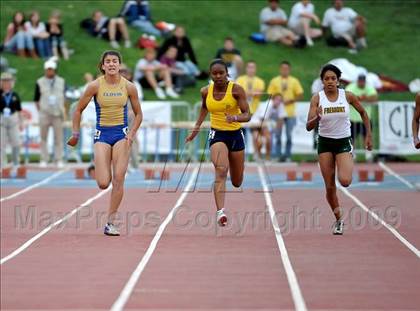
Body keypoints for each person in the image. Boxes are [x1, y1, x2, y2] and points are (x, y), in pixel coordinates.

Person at [67, 50, 142, 236]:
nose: (111, 64)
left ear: (119, 65)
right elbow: (78, 110)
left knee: (119, 178)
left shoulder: (129, 87)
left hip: (121, 135)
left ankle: (111, 222)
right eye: (107, 61)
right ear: (102, 66)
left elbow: (139, 114)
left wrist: (131, 133)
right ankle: (103, 163)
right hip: (102, 134)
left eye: (114, 61)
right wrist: (75, 134)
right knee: (102, 183)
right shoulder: (94, 86)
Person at [306, 64, 372, 235]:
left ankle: (348, 159)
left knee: (345, 181)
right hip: (325, 144)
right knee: (329, 187)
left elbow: (364, 113)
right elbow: (308, 125)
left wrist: (369, 136)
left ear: (338, 81)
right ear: (322, 81)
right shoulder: (317, 98)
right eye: (326, 79)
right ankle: (338, 219)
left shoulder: (347, 96)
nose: (329, 81)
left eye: (333, 78)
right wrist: (317, 117)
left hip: (343, 142)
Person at [185, 59, 250, 226]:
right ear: (210, 75)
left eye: (221, 72)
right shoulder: (206, 91)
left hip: (235, 135)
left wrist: (235, 117)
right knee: (221, 170)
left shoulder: (236, 90)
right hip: (217, 134)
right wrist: (196, 128)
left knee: (236, 181)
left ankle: (234, 175)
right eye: (215, 73)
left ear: (227, 73)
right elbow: (204, 108)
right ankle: (221, 212)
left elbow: (247, 114)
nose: (218, 76)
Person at [267, 61, 303, 161]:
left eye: (286, 69)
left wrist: (291, 100)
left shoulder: (294, 81)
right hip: (278, 114)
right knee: (277, 135)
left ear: (289, 69)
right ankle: (277, 155)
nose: (284, 70)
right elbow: (270, 94)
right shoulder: (274, 81)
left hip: (290, 112)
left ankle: (287, 156)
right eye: (283, 68)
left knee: (289, 136)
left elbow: (300, 95)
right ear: (280, 69)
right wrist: (278, 100)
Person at [34, 59, 66, 168]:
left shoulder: (61, 81)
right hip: (45, 113)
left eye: (51, 69)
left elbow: (64, 97)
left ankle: (58, 159)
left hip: (57, 113)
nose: (49, 71)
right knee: (43, 138)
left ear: (55, 70)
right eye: (48, 69)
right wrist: (41, 110)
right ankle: (44, 159)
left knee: (59, 138)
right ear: (45, 70)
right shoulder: (39, 81)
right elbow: (36, 99)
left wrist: (63, 110)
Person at [236, 61, 265, 159]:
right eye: (249, 67)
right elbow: (238, 93)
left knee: (257, 135)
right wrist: (252, 93)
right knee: (240, 136)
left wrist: (245, 92)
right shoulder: (240, 79)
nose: (251, 69)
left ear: (255, 69)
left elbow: (259, 93)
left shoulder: (260, 81)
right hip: (242, 112)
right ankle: (240, 156)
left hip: (254, 112)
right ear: (246, 68)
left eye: (253, 67)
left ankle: (257, 154)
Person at [345, 74, 377, 162]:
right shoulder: (351, 87)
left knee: (367, 136)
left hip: (365, 118)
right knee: (351, 138)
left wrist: (363, 98)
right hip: (353, 118)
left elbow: (374, 98)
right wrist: (359, 98)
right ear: (358, 81)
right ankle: (352, 154)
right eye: (360, 81)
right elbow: (347, 97)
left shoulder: (369, 87)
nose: (361, 83)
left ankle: (368, 154)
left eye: (363, 81)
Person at [0, 72, 23, 169]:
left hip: (13, 119)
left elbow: (19, 110)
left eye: (8, 81)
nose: (6, 83)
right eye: (4, 81)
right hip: (1, 120)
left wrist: (21, 123)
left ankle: (16, 163)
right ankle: (2, 164)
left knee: (16, 142)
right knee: (1, 144)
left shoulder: (15, 95)